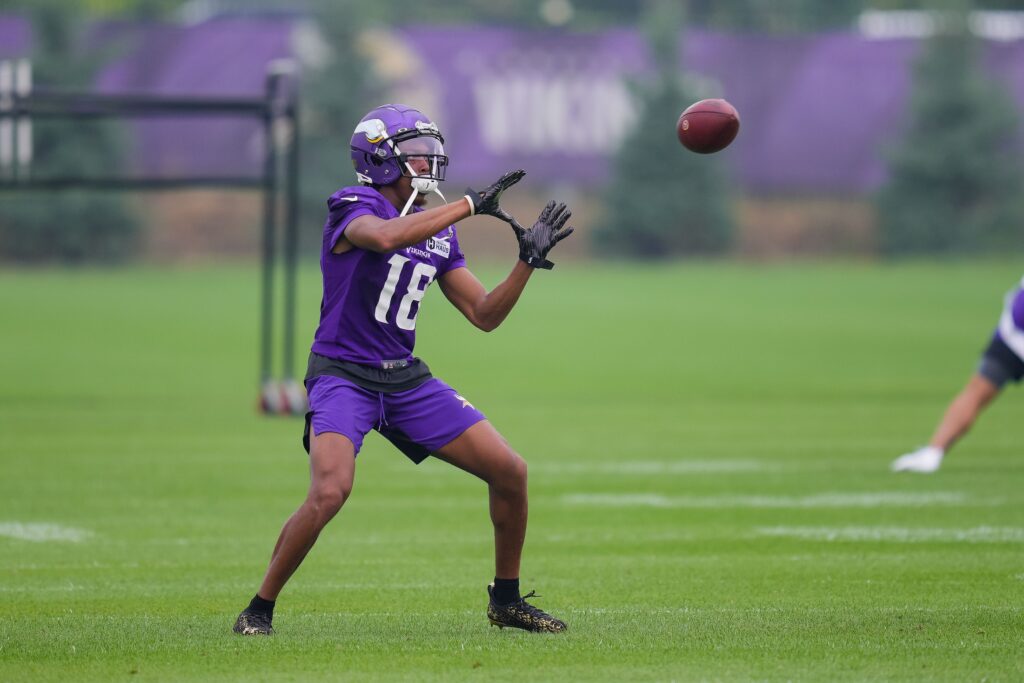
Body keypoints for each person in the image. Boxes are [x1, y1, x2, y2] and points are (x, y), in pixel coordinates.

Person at [233, 104, 573, 635]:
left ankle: (505, 601)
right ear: (379, 159)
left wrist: (525, 263)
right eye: (416, 153)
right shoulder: (354, 202)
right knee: (330, 491)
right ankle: (259, 607)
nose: (428, 162)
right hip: (344, 374)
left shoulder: (439, 229)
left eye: (431, 152)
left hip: (405, 379)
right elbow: (386, 238)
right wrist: (467, 205)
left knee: (510, 472)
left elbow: (484, 315)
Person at [892, 277, 1024, 473]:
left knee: (977, 391)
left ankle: (933, 453)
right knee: (978, 390)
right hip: (1015, 330)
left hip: (1015, 329)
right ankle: (933, 453)